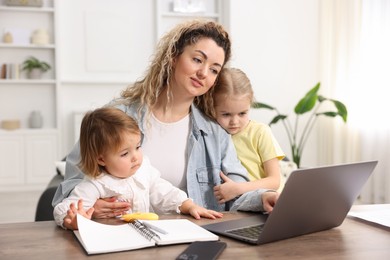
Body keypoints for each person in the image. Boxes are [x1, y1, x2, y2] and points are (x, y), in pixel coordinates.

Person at [53, 19, 278, 218]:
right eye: (198, 60)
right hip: (123, 237)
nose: (204, 73)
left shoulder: (214, 133)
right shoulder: (117, 117)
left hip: (190, 238)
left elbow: (235, 194)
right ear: (173, 57)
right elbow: (71, 185)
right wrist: (92, 206)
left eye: (214, 70)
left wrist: (263, 198)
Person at [54, 107, 223, 230]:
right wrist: (74, 220)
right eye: (125, 153)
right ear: (101, 159)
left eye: (138, 147)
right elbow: (64, 209)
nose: (136, 156)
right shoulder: (96, 184)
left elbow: (162, 190)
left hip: (145, 236)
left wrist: (187, 205)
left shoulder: (143, 169)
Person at [211, 68, 285, 204]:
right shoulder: (214, 136)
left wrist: (238, 189)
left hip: (273, 203)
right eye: (226, 114)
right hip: (243, 207)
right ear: (212, 108)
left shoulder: (260, 132)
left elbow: (274, 181)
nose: (234, 121)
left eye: (242, 113)